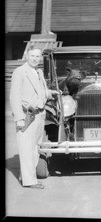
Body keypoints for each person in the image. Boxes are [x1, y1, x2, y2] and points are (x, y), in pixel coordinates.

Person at [10, 46, 59, 189]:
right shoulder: (19, 72)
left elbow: (40, 90)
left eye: (38, 56)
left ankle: (27, 176)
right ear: (27, 56)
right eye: (32, 56)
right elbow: (14, 96)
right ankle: (30, 181)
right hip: (27, 115)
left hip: (40, 115)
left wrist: (51, 93)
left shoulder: (38, 72)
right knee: (26, 148)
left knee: (35, 148)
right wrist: (19, 118)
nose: (35, 59)